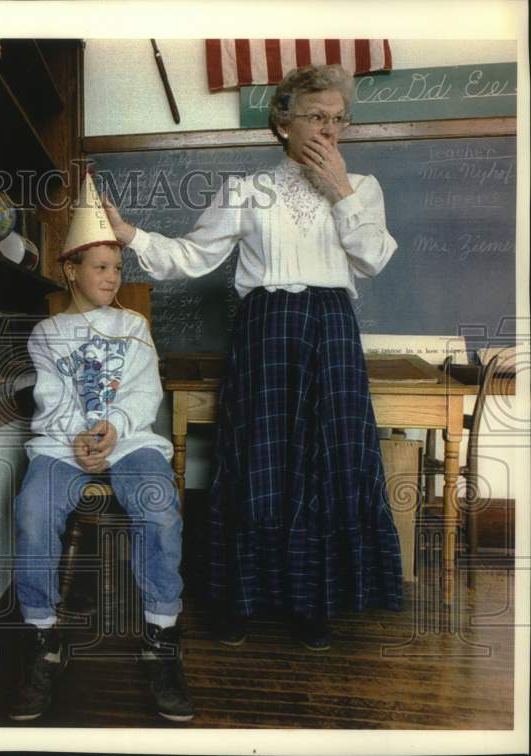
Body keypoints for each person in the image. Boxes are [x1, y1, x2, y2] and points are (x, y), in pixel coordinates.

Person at [102, 64, 403, 652]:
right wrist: (130, 234)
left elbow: (373, 259)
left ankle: (312, 604)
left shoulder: (362, 187)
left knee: (329, 461)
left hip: (332, 331)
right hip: (266, 330)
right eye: (316, 117)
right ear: (282, 121)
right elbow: (191, 256)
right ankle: (239, 601)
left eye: (338, 120)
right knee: (255, 461)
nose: (329, 130)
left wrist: (341, 188)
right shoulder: (246, 190)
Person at [9, 174, 193, 722]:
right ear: (71, 270)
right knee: (33, 511)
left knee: (159, 510)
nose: (113, 277)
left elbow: (144, 389)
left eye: (118, 267)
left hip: (131, 439)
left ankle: (161, 638)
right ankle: (44, 641)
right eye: (100, 267)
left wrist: (112, 428)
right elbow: (52, 396)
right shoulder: (47, 334)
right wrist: (82, 441)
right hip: (63, 446)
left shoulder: (133, 324)